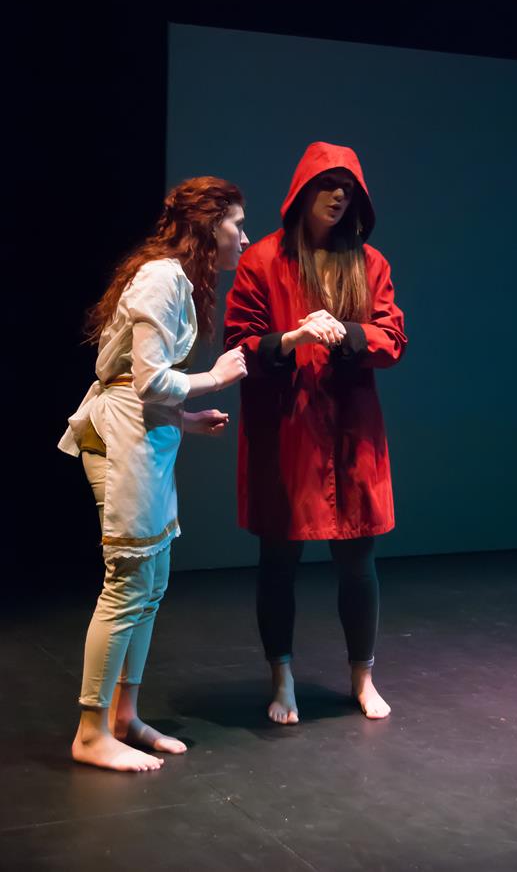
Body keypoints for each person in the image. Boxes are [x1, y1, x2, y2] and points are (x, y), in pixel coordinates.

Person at [59, 177, 249, 771]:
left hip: (151, 437)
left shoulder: (178, 280)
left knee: (153, 581)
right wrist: (213, 378)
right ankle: (90, 732)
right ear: (208, 225)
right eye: (236, 224)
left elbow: (146, 386)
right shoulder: (163, 276)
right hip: (124, 439)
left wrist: (187, 421)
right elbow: (144, 381)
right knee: (128, 582)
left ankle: (123, 716)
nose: (243, 236)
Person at [224, 142, 407, 725]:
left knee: (359, 559)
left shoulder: (369, 262)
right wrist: (295, 340)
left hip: (351, 434)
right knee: (279, 558)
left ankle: (363, 676)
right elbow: (240, 343)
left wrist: (347, 333)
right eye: (327, 184)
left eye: (347, 187)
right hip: (289, 432)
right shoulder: (263, 262)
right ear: (303, 191)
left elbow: (391, 337)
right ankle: (283, 678)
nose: (337, 195)